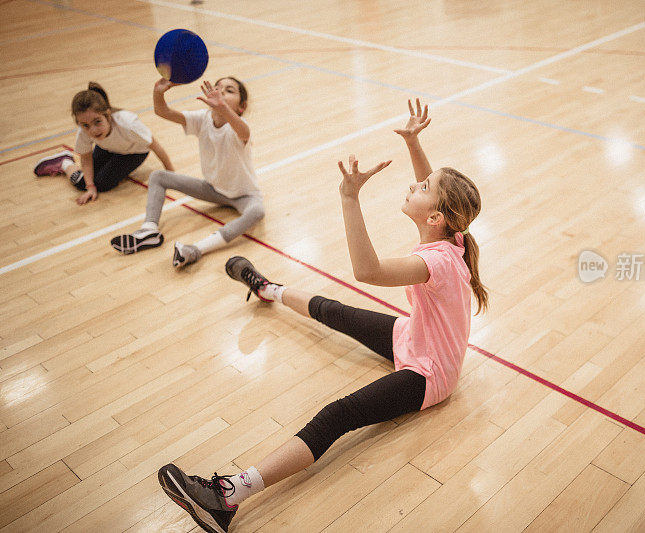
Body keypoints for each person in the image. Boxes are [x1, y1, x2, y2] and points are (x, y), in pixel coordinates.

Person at [157, 99, 487, 533]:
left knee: (338, 415)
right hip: (414, 336)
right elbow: (435, 198)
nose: (415, 183)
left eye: (422, 186)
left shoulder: (438, 261)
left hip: (430, 372)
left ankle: (227, 497)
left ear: (434, 217)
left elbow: (366, 271)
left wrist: (350, 197)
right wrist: (413, 141)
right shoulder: (452, 233)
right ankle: (266, 288)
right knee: (335, 311)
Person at [110, 77, 265, 268]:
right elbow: (162, 111)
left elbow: (243, 133)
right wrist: (158, 92)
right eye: (217, 88)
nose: (221, 92)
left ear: (242, 106)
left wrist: (223, 107)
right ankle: (149, 230)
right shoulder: (202, 118)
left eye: (229, 90)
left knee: (257, 211)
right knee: (158, 176)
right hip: (212, 189)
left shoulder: (240, 125)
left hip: (245, 196)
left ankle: (195, 249)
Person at [33, 82, 173, 205]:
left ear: (107, 115)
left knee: (103, 184)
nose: (93, 130)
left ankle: (65, 164)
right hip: (106, 148)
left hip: (132, 153)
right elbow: (86, 157)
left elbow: (156, 146)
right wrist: (90, 187)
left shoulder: (128, 124)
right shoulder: (84, 131)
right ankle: (65, 161)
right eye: (85, 125)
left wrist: (171, 175)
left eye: (97, 122)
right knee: (86, 184)